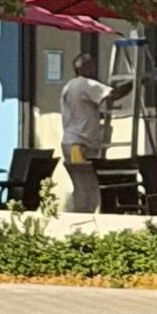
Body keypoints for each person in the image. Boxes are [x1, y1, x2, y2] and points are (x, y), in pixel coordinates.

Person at [59, 56, 130, 214]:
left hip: (71, 141)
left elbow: (83, 111)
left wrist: (98, 115)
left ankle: (81, 213)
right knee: (87, 184)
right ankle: (84, 215)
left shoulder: (70, 85)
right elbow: (113, 95)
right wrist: (135, 82)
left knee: (81, 184)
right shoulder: (86, 83)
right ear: (84, 68)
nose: (95, 69)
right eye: (91, 66)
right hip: (80, 144)